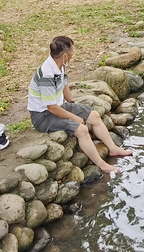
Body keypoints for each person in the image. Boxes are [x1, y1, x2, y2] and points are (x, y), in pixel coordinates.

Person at [29, 36, 132, 174]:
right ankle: (102, 165)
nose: (73, 55)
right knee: (81, 130)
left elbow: (63, 85)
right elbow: (51, 108)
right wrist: (75, 118)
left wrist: (72, 104)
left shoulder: (59, 65)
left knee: (94, 116)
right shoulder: (46, 75)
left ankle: (113, 149)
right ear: (65, 55)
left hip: (58, 107)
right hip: (43, 117)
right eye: (72, 52)